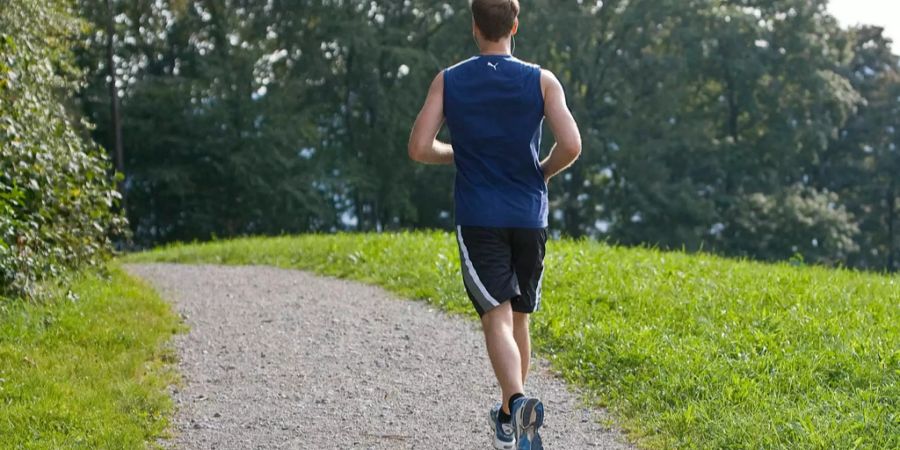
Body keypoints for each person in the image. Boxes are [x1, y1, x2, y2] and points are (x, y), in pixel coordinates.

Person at [408, 0, 581, 448]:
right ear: (515, 25)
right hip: (528, 215)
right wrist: (542, 170)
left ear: (474, 27)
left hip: (480, 217)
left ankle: (519, 401)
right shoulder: (542, 80)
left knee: (496, 318)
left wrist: (455, 152)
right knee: (518, 317)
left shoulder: (449, 80)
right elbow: (572, 144)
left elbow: (420, 147)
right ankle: (509, 417)